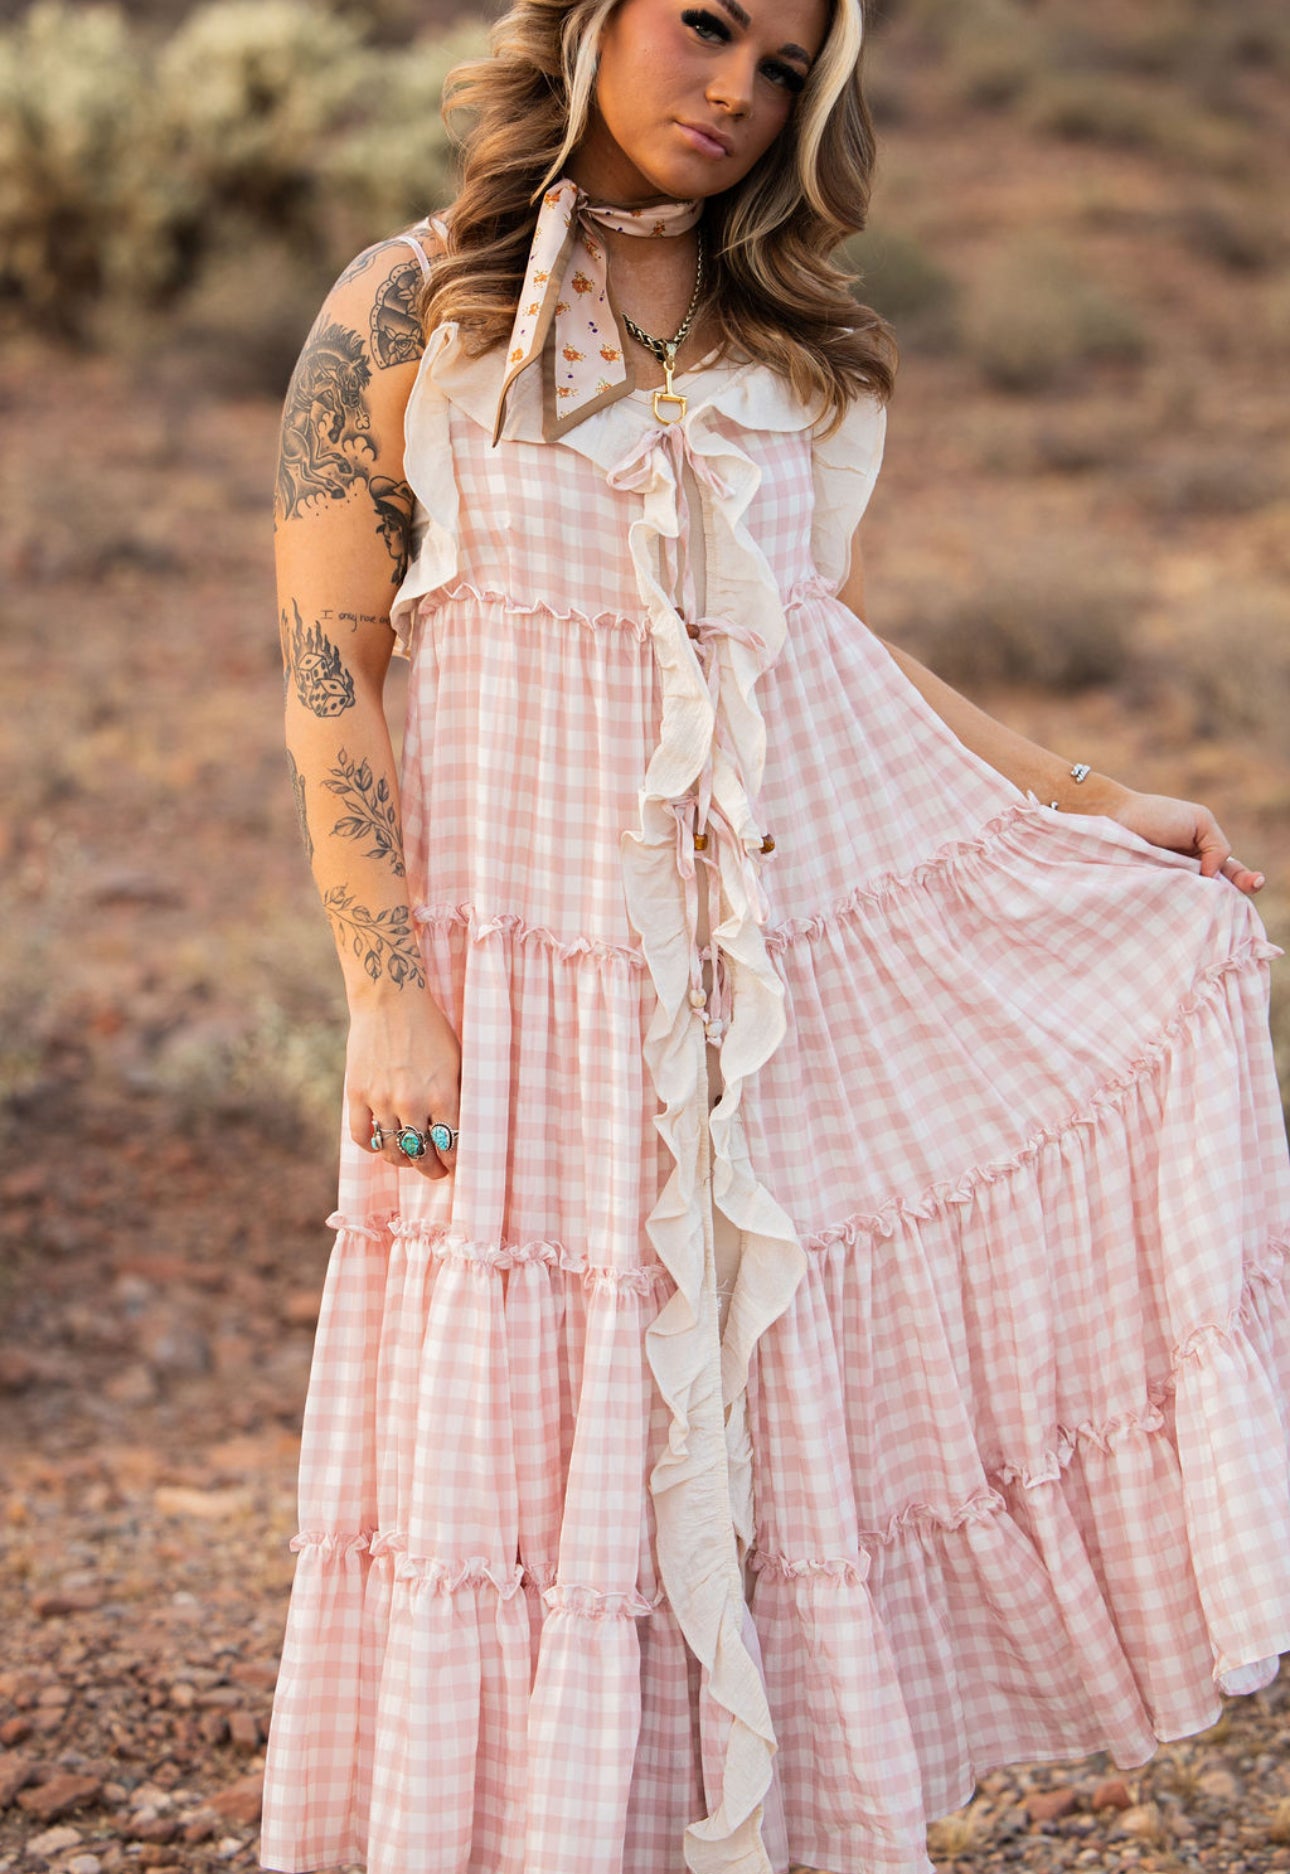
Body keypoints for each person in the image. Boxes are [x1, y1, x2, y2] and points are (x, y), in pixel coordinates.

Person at [259, 2, 1290, 1870]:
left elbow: (822, 655)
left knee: (735, 1413)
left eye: (789, 62)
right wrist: (383, 990)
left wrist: (1082, 797)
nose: (737, 86)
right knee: (509, 1437)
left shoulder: (799, 360)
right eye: (704, 24)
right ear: (587, 27)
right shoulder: (415, 309)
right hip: (512, 987)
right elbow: (333, 665)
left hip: (739, 1001)